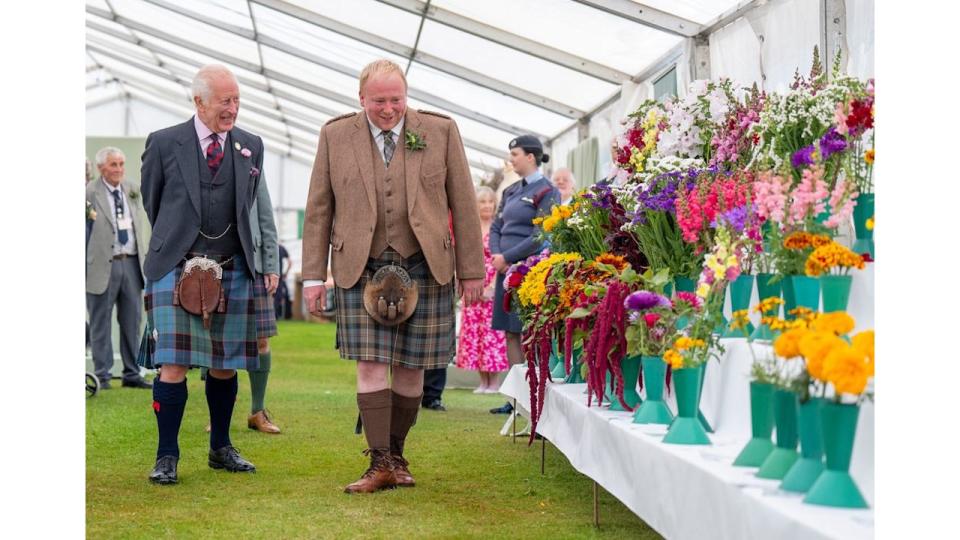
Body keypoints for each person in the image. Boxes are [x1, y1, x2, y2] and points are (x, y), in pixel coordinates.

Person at [301, 59, 485, 494]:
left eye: (396, 100)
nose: (389, 109)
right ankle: (379, 463)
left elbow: (463, 201)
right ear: (361, 98)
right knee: (370, 364)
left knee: (412, 368)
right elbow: (319, 209)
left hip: (426, 264)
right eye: (379, 101)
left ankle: (397, 455)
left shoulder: (440, 131)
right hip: (359, 265)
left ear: (407, 95)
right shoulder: (335, 134)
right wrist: (313, 275)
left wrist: (471, 269)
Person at [139, 64, 264, 485]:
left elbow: (246, 207)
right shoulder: (163, 143)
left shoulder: (251, 146)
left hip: (232, 267)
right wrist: (181, 247)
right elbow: (154, 204)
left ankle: (221, 447)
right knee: (172, 364)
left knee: (226, 364)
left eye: (236, 100)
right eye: (224, 101)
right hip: (175, 265)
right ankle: (166, 455)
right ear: (199, 101)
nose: (232, 109)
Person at [488, 135, 559, 415]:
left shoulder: (547, 191)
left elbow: (541, 233)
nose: (512, 159)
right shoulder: (511, 190)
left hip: (526, 271)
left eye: (515, 154)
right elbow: (496, 225)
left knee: (527, 331)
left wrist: (508, 257)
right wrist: (497, 255)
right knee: (510, 333)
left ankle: (534, 397)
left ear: (531, 157)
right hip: (504, 270)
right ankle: (516, 399)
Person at [86, 147, 152, 390]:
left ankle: (132, 373)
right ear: (102, 167)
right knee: (100, 323)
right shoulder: (90, 192)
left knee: (132, 320)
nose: (119, 169)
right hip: (102, 265)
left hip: (132, 264)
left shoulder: (132, 189)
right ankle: (102, 375)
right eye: (113, 165)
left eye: (121, 164)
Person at [456, 186, 507, 393]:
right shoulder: (470, 228)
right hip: (472, 286)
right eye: (482, 202)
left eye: (489, 201)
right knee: (474, 333)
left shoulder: (499, 228)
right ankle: (482, 380)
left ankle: (493, 382)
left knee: (491, 334)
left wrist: (492, 287)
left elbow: (501, 259)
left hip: (491, 286)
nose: (486, 205)